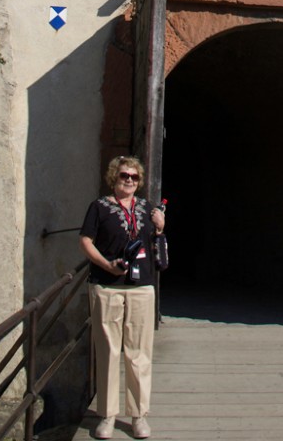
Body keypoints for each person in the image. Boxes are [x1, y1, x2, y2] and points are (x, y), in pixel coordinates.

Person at [79, 156, 165, 440]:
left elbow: (156, 242)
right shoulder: (99, 207)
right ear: (114, 178)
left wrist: (161, 226)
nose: (129, 180)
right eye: (123, 176)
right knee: (108, 352)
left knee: (139, 353)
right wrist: (106, 265)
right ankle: (107, 415)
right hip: (107, 286)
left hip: (141, 287)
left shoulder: (147, 207)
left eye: (134, 177)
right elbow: (85, 241)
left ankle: (139, 415)